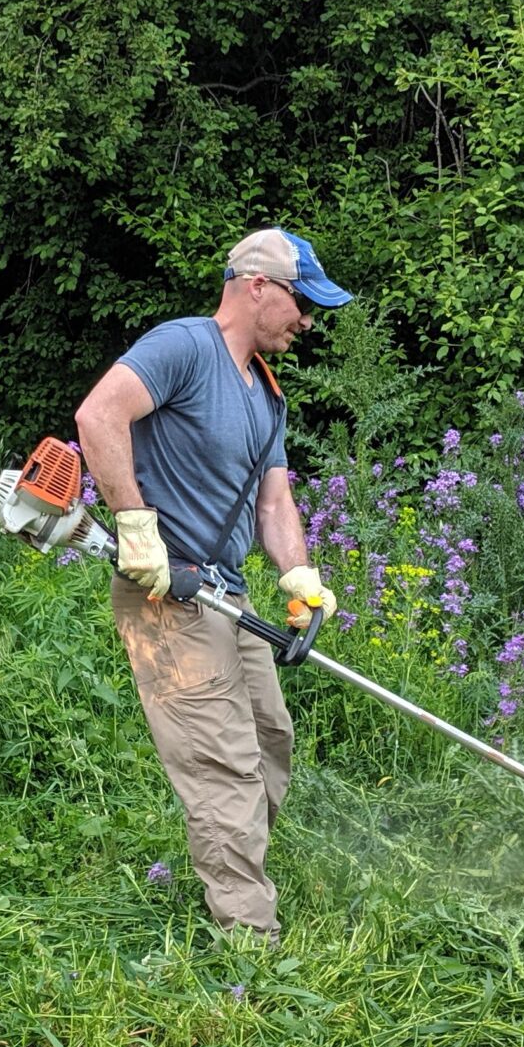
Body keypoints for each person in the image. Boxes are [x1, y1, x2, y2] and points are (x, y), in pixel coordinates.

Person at [72, 227, 349, 940]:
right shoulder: (185, 347)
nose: (308, 321)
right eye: (303, 303)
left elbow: (273, 499)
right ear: (258, 286)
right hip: (165, 595)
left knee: (269, 738)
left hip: (225, 590)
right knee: (223, 763)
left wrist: (298, 573)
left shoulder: (266, 392)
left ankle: (232, 862)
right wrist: (135, 527)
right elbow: (98, 416)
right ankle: (250, 943)